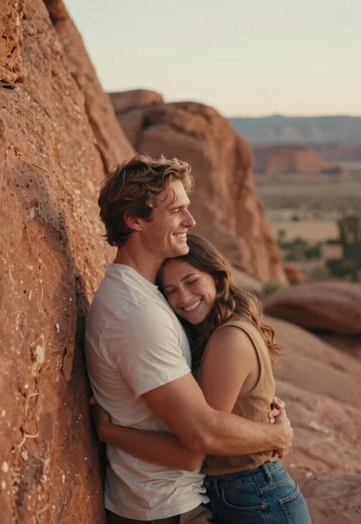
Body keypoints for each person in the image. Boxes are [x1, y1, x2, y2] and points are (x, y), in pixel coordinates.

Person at [85, 154, 293, 524]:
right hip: (165, 508)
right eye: (176, 210)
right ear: (134, 220)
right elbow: (200, 434)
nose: (190, 221)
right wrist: (276, 436)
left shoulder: (146, 296)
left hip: (172, 501)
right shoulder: (135, 313)